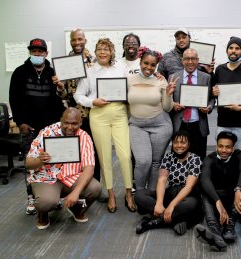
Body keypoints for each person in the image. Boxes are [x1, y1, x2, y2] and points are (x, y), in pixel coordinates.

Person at [74, 38, 135, 213]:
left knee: (124, 156)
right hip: (99, 115)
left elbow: (130, 88)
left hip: (119, 114)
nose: (102, 52)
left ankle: (129, 193)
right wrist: (93, 101)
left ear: (111, 52)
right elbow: (78, 95)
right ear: (96, 51)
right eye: (99, 49)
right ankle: (111, 194)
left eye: (106, 49)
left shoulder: (121, 68)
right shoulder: (90, 71)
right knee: (105, 157)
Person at [9, 38, 64, 215]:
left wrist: (61, 88)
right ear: (30, 53)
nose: (37, 54)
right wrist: (20, 123)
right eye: (34, 51)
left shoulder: (54, 72)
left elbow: (61, 99)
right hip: (30, 128)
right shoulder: (19, 73)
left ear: (46, 53)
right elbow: (14, 100)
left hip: (50, 128)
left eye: (40, 51)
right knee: (31, 164)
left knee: (53, 163)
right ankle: (31, 196)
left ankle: (53, 196)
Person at [25, 108, 101, 230]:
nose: (70, 127)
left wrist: (75, 193)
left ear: (80, 123)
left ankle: (76, 209)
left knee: (95, 188)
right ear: (61, 121)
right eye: (66, 123)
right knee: (45, 202)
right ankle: (42, 214)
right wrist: (39, 160)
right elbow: (28, 164)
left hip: (71, 176)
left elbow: (89, 168)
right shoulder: (46, 133)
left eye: (74, 123)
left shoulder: (84, 137)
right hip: (47, 177)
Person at [53, 28, 101, 184]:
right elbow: (64, 94)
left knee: (93, 150)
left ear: (85, 40)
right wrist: (60, 87)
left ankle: (95, 183)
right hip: (73, 114)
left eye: (80, 39)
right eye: (74, 40)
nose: (77, 42)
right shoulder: (64, 63)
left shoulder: (95, 60)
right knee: (74, 150)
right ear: (70, 41)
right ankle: (72, 183)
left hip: (92, 112)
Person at [134, 131, 202, 236]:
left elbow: (188, 187)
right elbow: (162, 180)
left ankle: (154, 222)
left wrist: (171, 206)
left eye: (183, 143)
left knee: (191, 205)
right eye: (176, 142)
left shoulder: (195, 159)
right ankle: (177, 220)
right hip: (171, 192)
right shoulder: (168, 157)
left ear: (188, 144)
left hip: (186, 196)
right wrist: (159, 203)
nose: (179, 145)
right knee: (139, 195)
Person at [127, 48, 176, 191]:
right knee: (142, 161)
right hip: (137, 125)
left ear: (156, 65)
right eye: (145, 63)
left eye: (152, 65)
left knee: (156, 163)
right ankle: (140, 193)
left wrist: (168, 94)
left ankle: (152, 193)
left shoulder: (161, 80)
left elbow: (168, 108)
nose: (148, 67)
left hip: (161, 126)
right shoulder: (129, 80)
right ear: (140, 62)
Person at [195, 131, 241, 252]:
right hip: (215, 196)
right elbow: (204, 179)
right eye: (221, 146)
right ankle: (215, 230)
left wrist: (238, 189)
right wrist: (217, 201)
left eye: (228, 147)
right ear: (216, 147)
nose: (224, 150)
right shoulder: (210, 158)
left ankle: (229, 227)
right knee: (205, 192)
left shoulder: (239, 155)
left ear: (233, 148)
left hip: (232, 195)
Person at [211, 36, 241, 157]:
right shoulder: (219, 69)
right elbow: (214, 91)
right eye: (231, 48)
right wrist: (214, 92)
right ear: (227, 50)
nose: (233, 51)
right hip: (223, 122)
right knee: (222, 156)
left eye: (237, 48)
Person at [170, 48, 215, 160]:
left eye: (193, 59)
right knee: (179, 158)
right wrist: (173, 104)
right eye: (187, 59)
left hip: (198, 124)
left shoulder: (206, 77)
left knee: (199, 158)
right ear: (182, 60)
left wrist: (208, 107)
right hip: (180, 124)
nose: (190, 62)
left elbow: (212, 99)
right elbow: (167, 98)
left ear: (198, 60)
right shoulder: (173, 77)